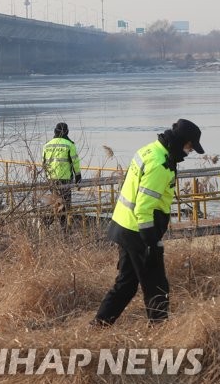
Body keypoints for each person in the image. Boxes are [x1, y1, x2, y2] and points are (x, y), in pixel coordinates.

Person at [93, 119, 205, 326]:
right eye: (190, 146)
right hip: (138, 230)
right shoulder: (160, 165)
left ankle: (99, 325)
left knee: (126, 283)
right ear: (181, 141)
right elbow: (143, 208)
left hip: (124, 224)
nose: (189, 152)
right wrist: (151, 242)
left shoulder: (150, 150)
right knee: (156, 285)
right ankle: (160, 331)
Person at [42, 122, 82, 227]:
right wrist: (78, 175)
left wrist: (48, 176)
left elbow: (44, 163)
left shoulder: (47, 145)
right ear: (67, 132)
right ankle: (61, 227)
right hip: (65, 179)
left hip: (51, 179)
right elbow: (75, 162)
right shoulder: (69, 144)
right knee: (65, 203)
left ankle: (49, 222)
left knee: (55, 201)